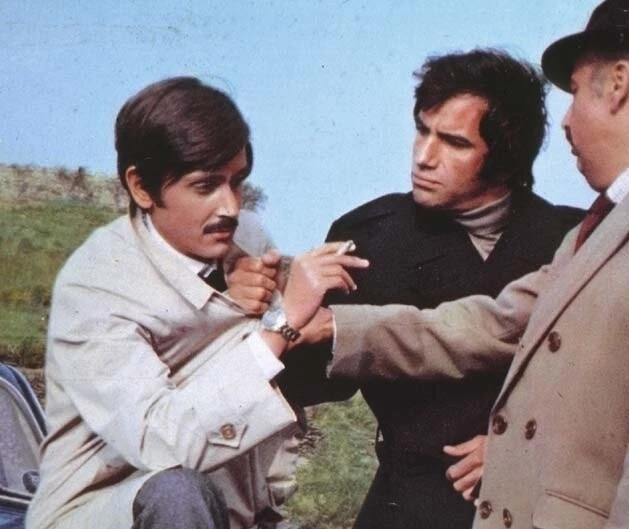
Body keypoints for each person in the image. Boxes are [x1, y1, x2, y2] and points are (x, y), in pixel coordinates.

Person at [296, 1, 629, 527]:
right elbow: (489, 324)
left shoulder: (572, 234)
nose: (423, 157)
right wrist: (295, 318)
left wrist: (520, 452)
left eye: (452, 142)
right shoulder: (371, 235)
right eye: (421, 131)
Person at [25, 77, 368, 529]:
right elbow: (162, 444)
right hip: (110, 511)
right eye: (205, 186)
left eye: (237, 182)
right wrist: (280, 323)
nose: (230, 207)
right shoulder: (94, 289)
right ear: (141, 187)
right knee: (177, 492)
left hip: (228, 512)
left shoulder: (245, 240)